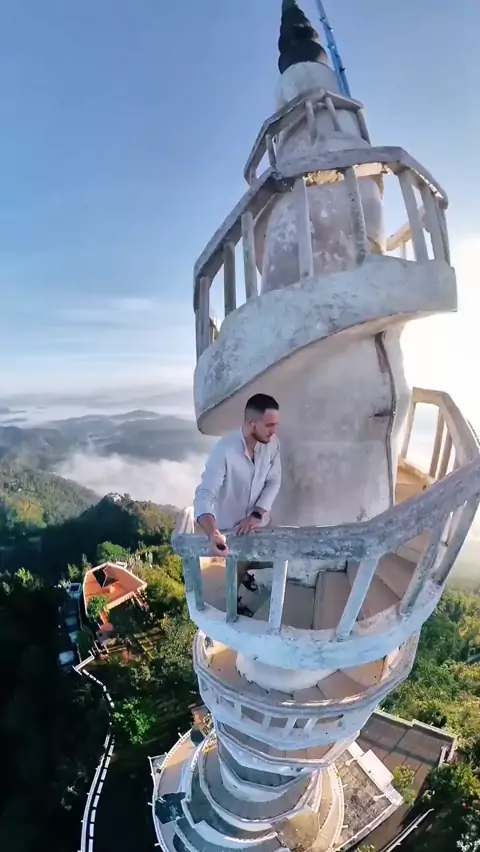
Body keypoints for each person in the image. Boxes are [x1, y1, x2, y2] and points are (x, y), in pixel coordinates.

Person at [194, 393, 281, 612]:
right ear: (252, 423)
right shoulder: (224, 451)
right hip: (234, 530)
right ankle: (234, 605)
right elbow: (205, 494)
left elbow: (274, 481)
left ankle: (247, 576)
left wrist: (257, 514)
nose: (274, 431)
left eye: (275, 425)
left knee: (271, 557)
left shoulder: (272, 444)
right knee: (237, 569)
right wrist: (212, 533)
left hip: (260, 522)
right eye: (269, 425)